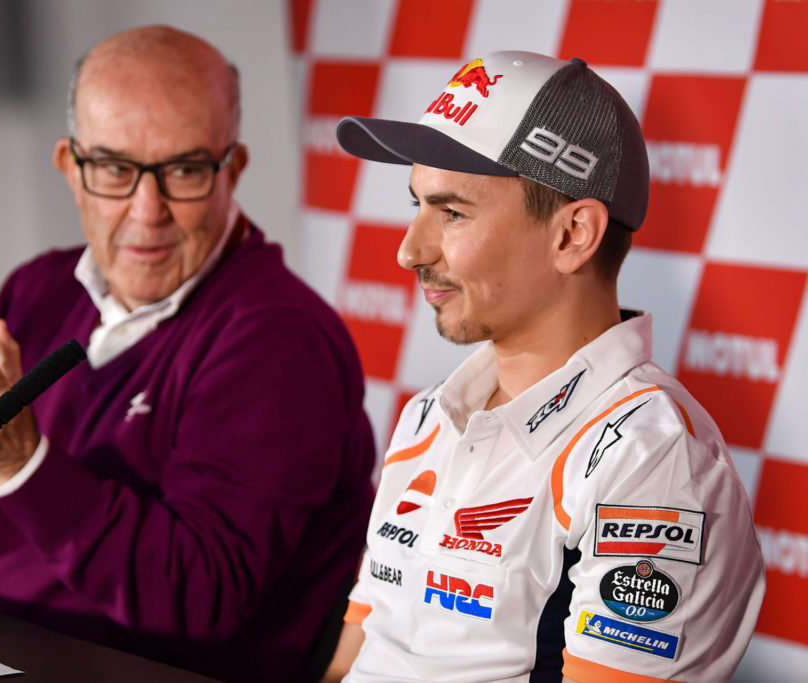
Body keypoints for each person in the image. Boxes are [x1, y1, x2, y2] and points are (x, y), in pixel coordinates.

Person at [0, 25, 376, 682]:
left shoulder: (278, 337)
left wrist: (21, 463)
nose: (149, 212)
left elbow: (201, 599)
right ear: (71, 167)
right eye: (117, 169)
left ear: (231, 169)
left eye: (184, 170)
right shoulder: (39, 290)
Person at [325, 51, 765, 682]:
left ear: (572, 236)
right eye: (416, 205)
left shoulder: (652, 460)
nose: (407, 250)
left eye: (451, 213)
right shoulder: (429, 415)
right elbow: (358, 654)